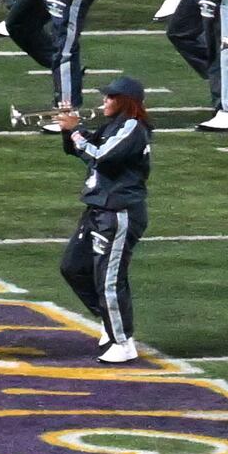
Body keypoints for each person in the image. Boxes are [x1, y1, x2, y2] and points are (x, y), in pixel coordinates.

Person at [50, 73, 153, 362]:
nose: (104, 101)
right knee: (73, 266)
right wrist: (67, 129)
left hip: (119, 211)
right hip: (98, 208)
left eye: (110, 97)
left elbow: (101, 156)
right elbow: (77, 149)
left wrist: (76, 131)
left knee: (109, 278)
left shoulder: (133, 127)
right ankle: (111, 320)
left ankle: (123, 341)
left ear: (126, 102)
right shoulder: (113, 125)